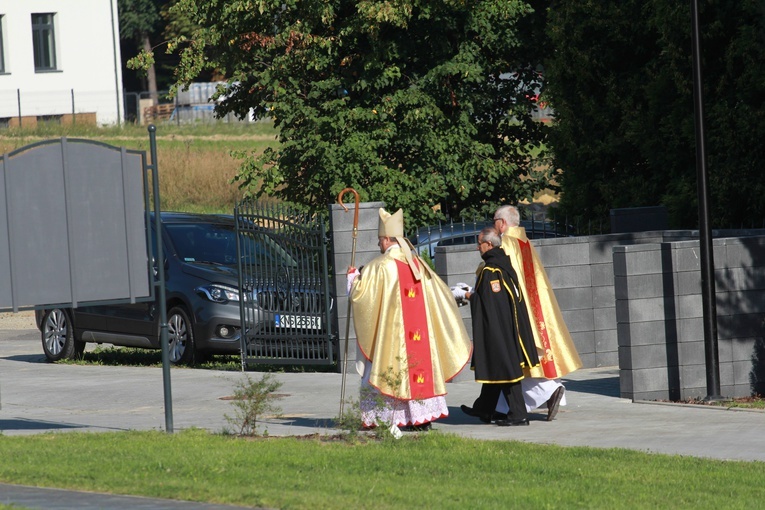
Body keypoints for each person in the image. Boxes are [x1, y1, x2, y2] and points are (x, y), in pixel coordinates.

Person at [347, 208, 472, 434]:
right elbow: (441, 294)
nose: (378, 245)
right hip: (422, 339)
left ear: (387, 239)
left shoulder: (380, 266)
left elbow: (360, 298)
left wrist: (353, 279)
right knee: (419, 371)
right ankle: (421, 419)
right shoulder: (418, 264)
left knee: (382, 372)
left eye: (379, 240)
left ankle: (382, 418)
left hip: (393, 338)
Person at [492, 204, 583, 420]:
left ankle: (549, 391)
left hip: (521, 308)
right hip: (536, 305)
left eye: (494, 219)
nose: (493, 223)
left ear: (502, 222)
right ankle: (503, 408)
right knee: (530, 359)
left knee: (522, 359)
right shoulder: (524, 241)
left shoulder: (506, 242)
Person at [464, 227, 540, 426]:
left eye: (479, 243)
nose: (477, 247)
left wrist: (468, 296)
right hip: (509, 325)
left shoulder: (491, 270)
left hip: (500, 328)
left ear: (488, 245)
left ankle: (518, 415)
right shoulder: (503, 263)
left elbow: (490, 303)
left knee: (506, 369)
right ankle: (484, 409)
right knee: (498, 368)